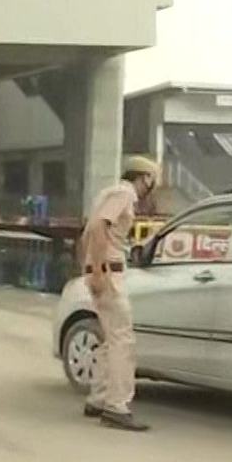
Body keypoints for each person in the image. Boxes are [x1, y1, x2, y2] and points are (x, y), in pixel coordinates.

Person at [79, 155, 160, 431]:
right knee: (123, 341)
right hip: (110, 272)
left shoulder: (108, 192)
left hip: (103, 270)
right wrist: (100, 270)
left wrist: (87, 268)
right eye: (152, 181)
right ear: (145, 178)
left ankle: (99, 398)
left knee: (108, 339)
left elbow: (87, 231)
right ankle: (117, 405)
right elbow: (100, 226)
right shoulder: (124, 194)